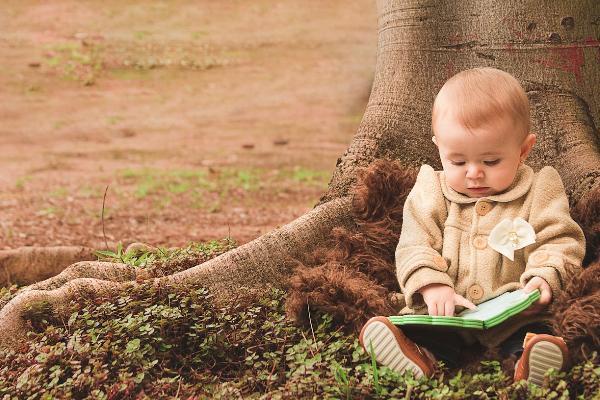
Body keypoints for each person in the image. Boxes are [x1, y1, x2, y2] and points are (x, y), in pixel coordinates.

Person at [359, 67, 586, 386]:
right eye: (458, 161)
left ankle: (529, 363)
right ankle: (418, 356)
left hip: (514, 315)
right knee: (424, 331)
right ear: (438, 147)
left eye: (491, 162)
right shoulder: (431, 189)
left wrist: (544, 276)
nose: (474, 173)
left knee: (537, 333)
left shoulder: (540, 188)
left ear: (523, 150)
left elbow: (559, 239)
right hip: (446, 314)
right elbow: (414, 243)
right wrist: (431, 283)